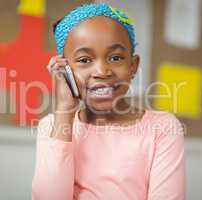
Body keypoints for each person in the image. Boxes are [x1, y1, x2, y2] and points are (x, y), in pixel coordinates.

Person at [32, 3, 185, 200]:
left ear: (133, 66)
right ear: (65, 70)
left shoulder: (163, 129)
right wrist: (64, 113)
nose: (102, 72)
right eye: (84, 60)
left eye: (115, 57)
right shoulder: (52, 127)